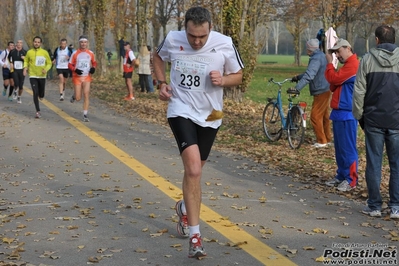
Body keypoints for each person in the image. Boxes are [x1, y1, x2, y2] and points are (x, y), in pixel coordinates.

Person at [153, 6, 244, 258]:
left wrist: (223, 81)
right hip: (180, 109)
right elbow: (157, 57)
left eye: (202, 36)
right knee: (193, 169)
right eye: (192, 36)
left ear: (210, 29)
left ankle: (184, 205)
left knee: (196, 170)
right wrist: (161, 83)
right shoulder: (173, 39)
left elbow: (239, 75)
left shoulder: (224, 43)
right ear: (185, 29)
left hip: (211, 115)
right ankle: (195, 237)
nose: (197, 41)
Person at [353, 25, 399, 219]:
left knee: (374, 163)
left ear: (377, 40)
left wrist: (359, 116)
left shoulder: (367, 59)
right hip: (397, 120)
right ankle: (396, 206)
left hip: (373, 119)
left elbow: (359, 91)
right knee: (396, 164)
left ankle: (374, 206)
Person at [324, 38, 358, 192]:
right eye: (335, 52)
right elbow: (332, 85)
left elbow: (333, 79)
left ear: (348, 48)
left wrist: (330, 63)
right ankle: (342, 174)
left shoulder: (353, 65)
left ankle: (351, 179)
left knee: (348, 148)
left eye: (339, 51)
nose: (337, 55)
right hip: (339, 111)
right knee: (339, 148)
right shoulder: (345, 67)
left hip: (347, 112)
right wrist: (333, 68)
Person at [289, 38, 331, 148]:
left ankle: (321, 141)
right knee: (324, 116)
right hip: (326, 88)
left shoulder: (315, 59)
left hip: (320, 90)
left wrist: (297, 88)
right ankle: (327, 138)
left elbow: (310, 75)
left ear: (309, 49)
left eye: (307, 48)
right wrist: (298, 77)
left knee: (315, 116)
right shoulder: (321, 55)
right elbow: (312, 73)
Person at [68, 35, 97, 122]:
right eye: (82, 42)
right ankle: (74, 96)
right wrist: (75, 70)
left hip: (87, 77)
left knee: (86, 94)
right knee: (78, 98)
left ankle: (85, 114)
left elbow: (94, 62)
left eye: (85, 42)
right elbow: (69, 64)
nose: (83, 44)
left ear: (87, 43)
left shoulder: (91, 53)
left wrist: (93, 68)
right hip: (77, 77)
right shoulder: (75, 53)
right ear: (79, 43)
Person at [23, 36, 52, 118]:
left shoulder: (44, 52)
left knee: (41, 93)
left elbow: (49, 63)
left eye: (38, 42)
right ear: (33, 42)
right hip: (32, 75)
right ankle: (38, 111)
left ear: (41, 43)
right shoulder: (29, 52)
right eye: (35, 42)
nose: (36, 43)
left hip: (42, 75)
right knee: (35, 92)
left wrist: (46, 69)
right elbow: (26, 61)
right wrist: (25, 68)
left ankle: (41, 95)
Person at [8, 40, 26, 104]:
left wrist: (25, 59)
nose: (19, 44)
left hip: (21, 70)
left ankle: (19, 97)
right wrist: (11, 63)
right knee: (16, 83)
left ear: (22, 44)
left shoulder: (24, 52)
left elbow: (28, 61)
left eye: (20, 43)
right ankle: (15, 91)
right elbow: (9, 57)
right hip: (14, 70)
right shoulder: (12, 51)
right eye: (18, 42)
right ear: (16, 44)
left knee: (21, 86)